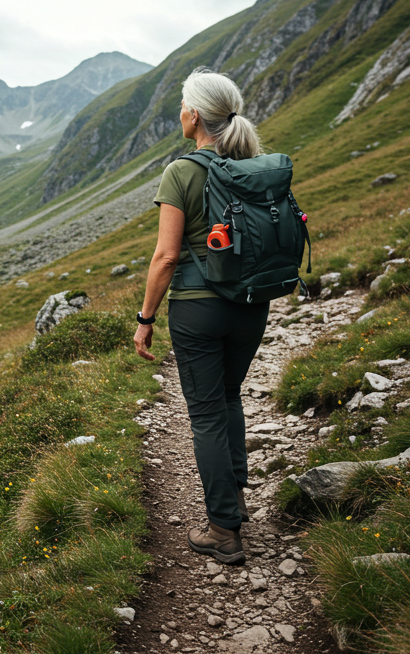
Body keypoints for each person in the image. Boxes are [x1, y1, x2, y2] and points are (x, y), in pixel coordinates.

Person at [132, 68, 266, 565]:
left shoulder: (183, 171)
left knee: (206, 415)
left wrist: (145, 318)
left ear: (193, 115)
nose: (180, 113)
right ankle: (236, 502)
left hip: (198, 311)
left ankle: (223, 531)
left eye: (182, 105)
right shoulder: (253, 167)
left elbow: (166, 257)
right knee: (228, 397)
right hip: (252, 306)